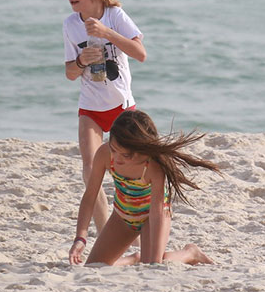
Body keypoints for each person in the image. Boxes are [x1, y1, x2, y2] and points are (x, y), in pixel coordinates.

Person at [63, 0, 147, 239]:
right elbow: (69, 73)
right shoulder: (70, 25)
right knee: (90, 172)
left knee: (134, 173)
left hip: (122, 106)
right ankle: (103, 234)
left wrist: (107, 33)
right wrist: (81, 62)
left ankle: (139, 224)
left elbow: (140, 54)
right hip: (90, 108)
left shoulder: (115, 16)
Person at [68, 110, 218, 266]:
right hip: (123, 214)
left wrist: (155, 260)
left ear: (140, 150)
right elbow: (90, 196)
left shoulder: (153, 165)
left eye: (126, 155)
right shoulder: (104, 154)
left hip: (151, 216)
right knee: (93, 265)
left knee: (153, 264)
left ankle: (190, 253)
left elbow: (157, 211)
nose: (117, 158)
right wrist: (80, 238)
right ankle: (135, 258)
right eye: (114, 150)